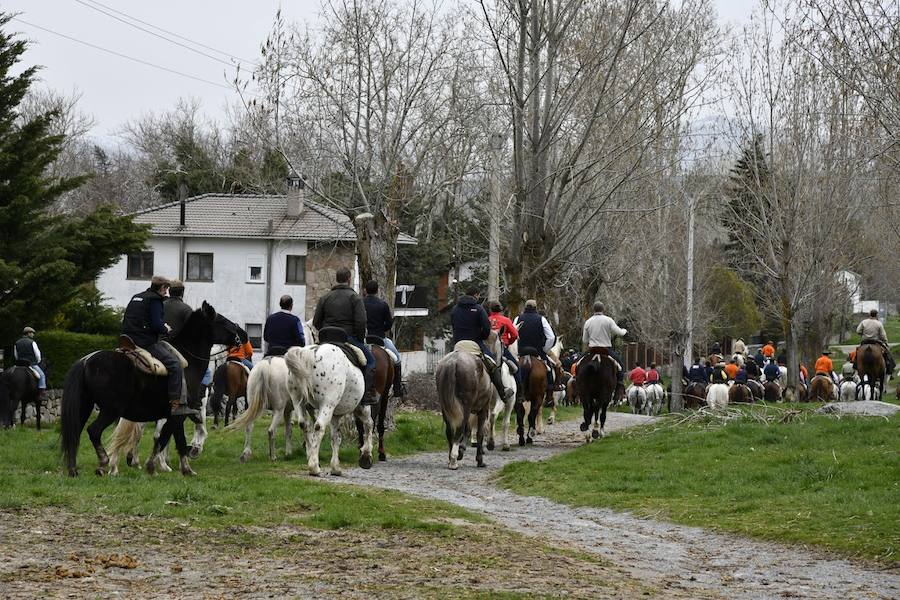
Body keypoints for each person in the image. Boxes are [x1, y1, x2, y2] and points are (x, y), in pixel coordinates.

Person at [121, 275, 197, 417]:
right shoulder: (155, 300)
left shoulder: (137, 297)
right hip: (145, 342)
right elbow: (156, 324)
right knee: (175, 364)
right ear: (162, 288)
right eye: (166, 289)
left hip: (127, 340)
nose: (166, 292)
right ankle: (177, 404)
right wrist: (165, 329)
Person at [313, 268, 377, 405]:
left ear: (337, 278)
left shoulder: (325, 298)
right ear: (349, 279)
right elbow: (361, 322)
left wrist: (325, 332)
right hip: (347, 338)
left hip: (325, 339)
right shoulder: (355, 298)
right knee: (371, 362)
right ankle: (366, 395)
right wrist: (359, 339)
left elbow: (316, 322)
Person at [450, 286, 513, 401]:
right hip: (475, 343)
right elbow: (486, 330)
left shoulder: (455, 309)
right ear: (476, 295)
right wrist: (482, 336)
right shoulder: (479, 309)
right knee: (493, 363)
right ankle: (502, 391)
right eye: (479, 296)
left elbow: (453, 327)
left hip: (458, 345)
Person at [363, 280, 403, 397]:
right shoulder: (383, 304)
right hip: (380, 338)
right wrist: (381, 329)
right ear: (377, 291)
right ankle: (397, 388)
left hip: (364, 338)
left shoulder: (360, 303)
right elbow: (389, 323)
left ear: (365, 290)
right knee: (397, 358)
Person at [580, 302, 626, 388]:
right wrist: (624, 330)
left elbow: (584, 340)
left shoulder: (588, 322)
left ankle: (576, 381)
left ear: (593, 310)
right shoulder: (608, 320)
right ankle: (620, 384)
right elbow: (620, 333)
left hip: (592, 350)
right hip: (606, 350)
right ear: (603, 309)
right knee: (621, 366)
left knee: (577, 364)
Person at [515, 300, 557, 388]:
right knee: (549, 369)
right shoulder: (541, 319)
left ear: (525, 307)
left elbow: (512, 334)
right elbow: (551, 337)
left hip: (521, 351)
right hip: (537, 352)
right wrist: (545, 349)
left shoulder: (517, 318)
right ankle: (550, 393)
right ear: (535, 308)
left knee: (512, 369)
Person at [488, 302, 521, 399]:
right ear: (501, 310)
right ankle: (519, 393)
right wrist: (508, 342)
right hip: (502, 348)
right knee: (516, 368)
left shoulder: (487, 320)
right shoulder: (506, 320)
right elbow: (515, 335)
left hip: (488, 349)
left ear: (490, 310)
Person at [856, 309, 896, 376]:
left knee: (857, 353)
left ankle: (855, 365)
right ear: (877, 315)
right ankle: (889, 369)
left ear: (869, 314)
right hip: (875, 342)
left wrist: (863, 335)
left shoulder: (864, 322)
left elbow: (858, 331)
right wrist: (885, 341)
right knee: (887, 354)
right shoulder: (879, 323)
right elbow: (883, 335)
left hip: (865, 341)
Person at [13, 326, 48, 400]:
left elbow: (16, 355)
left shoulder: (17, 342)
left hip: (19, 364)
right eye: (32, 333)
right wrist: (37, 362)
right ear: (28, 333)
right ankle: (42, 394)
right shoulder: (32, 342)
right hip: (31, 364)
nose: (33, 335)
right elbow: (38, 355)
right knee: (42, 375)